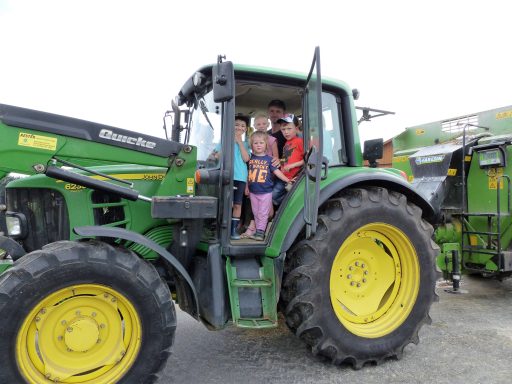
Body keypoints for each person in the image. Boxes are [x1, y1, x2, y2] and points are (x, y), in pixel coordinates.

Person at [246, 131, 292, 241]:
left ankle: (260, 233)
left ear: (266, 145)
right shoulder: (250, 159)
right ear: (252, 145)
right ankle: (258, 230)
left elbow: (277, 172)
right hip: (253, 191)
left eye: (261, 143)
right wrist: (246, 187)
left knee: (263, 212)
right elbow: (247, 175)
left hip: (266, 191)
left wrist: (288, 180)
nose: (258, 145)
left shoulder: (269, 159)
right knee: (256, 212)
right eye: (256, 143)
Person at [211, 115, 250, 239]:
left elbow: (246, 158)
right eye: (237, 124)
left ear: (246, 129)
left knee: (238, 204)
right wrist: (227, 145)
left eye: (242, 126)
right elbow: (215, 156)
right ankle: (221, 229)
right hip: (227, 175)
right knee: (225, 202)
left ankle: (233, 230)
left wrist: (239, 142)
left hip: (240, 178)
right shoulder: (224, 140)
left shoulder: (246, 143)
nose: (239, 127)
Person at [272, 113, 304, 206]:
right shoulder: (286, 143)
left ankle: (288, 205)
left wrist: (292, 165)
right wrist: (280, 164)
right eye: (283, 129)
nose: (286, 132)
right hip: (283, 176)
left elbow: (306, 160)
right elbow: (285, 158)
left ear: (296, 128)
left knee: (274, 196)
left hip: (293, 177)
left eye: (289, 129)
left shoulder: (300, 141)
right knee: (272, 196)